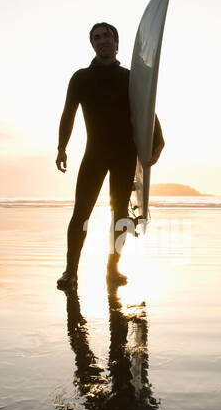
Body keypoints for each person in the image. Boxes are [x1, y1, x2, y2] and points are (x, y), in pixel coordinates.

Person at [55, 22, 164, 288]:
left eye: (107, 36)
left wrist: (158, 143)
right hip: (95, 154)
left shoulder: (130, 78)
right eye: (97, 37)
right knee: (81, 212)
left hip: (124, 156)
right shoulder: (80, 78)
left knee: (120, 215)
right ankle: (71, 271)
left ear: (117, 43)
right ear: (92, 44)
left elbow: (148, 111)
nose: (102, 40)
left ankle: (112, 269)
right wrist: (61, 147)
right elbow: (68, 113)